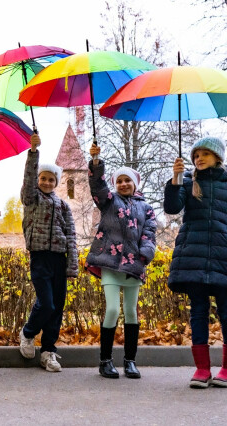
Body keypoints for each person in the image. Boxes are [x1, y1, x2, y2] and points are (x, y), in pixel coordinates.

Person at [164, 136, 227, 388]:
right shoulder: (188, 182)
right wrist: (175, 180)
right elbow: (171, 208)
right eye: (195, 155)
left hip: (223, 256)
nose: (198, 159)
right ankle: (202, 370)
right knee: (199, 312)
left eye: (204, 154)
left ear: (217, 157)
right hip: (193, 254)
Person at [86, 144, 157, 379]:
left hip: (134, 265)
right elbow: (98, 187)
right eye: (119, 181)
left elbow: (150, 232)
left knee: (131, 312)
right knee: (113, 310)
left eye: (128, 180)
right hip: (110, 263)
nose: (123, 184)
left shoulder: (146, 208)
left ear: (135, 183)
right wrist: (96, 163)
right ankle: (105, 361)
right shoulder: (109, 202)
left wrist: (146, 252)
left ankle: (130, 361)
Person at [17, 133, 78, 372]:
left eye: (51, 180)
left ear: (57, 182)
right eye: (43, 178)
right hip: (40, 256)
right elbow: (28, 179)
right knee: (47, 304)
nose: (46, 182)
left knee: (58, 307)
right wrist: (33, 152)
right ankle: (28, 332)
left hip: (59, 260)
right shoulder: (31, 199)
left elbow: (71, 236)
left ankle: (49, 351)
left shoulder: (63, 205)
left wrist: (71, 265)